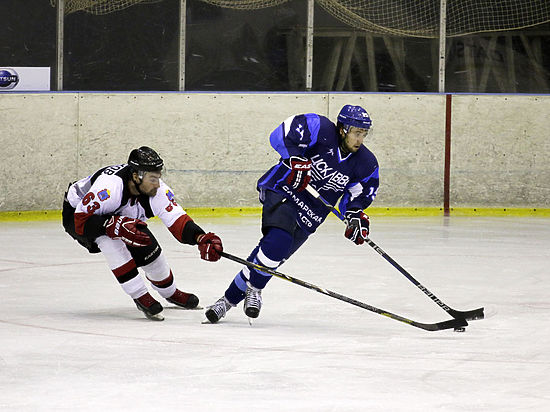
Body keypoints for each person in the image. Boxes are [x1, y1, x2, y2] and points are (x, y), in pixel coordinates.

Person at [204, 104, 379, 323]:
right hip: (284, 191)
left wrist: (354, 215)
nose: (360, 139)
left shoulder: (366, 163)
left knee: (268, 257)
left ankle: (226, 301)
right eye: (356, 133)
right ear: (343, 129)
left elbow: (357, 195)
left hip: (312, 214)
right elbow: (281, 134)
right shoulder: (321, 128)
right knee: (278, 242)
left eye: (363, 134)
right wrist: (295, 158)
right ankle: (256, 289)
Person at [62, 146, 223, 321]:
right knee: (110, 240)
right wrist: (111, 224)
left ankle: (170, 292)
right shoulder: (109, 189)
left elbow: (178, 220)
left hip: (118, 212)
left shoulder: (156, 191)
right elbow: (80, 223)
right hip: (81, 214)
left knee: (145, 243)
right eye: (152, 178)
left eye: (158, 177)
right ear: (135, 176)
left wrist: (200, 238)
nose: (157, 183)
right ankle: (140, 295)